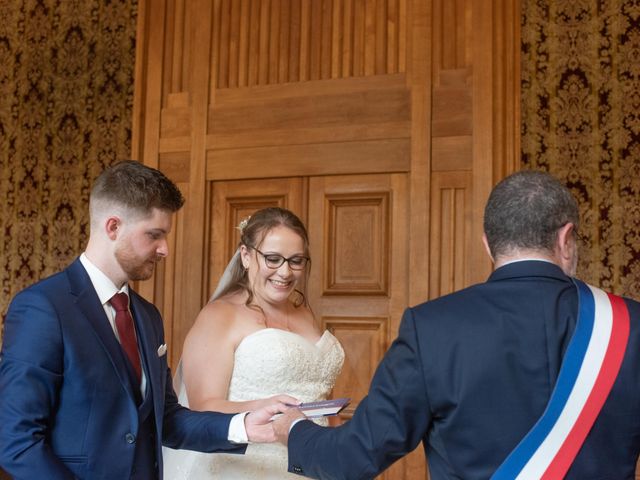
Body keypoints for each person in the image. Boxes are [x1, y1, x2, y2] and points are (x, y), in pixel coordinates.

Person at [273, 170, 640, 479]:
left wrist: (294, 429)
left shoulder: (431, 327)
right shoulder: (631, 326)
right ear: (566, 238)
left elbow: (352, 458)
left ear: (487, 244)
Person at [0, 160, 285, 480]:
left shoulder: (148, 316)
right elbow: (18, 442)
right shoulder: (43, 308)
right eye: (154, 235)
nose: (164, 249)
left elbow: (167, 420)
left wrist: (242, 425)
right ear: (113, 227)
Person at [162, 207, 345, 479]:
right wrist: (263, 406)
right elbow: (202, 408)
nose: (285, 272)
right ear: (246, 256)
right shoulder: (219, 315)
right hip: (246, 463)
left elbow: (312, 388)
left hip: (308, 457)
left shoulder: (303, 311)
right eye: (273, 259)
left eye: (296, 261)